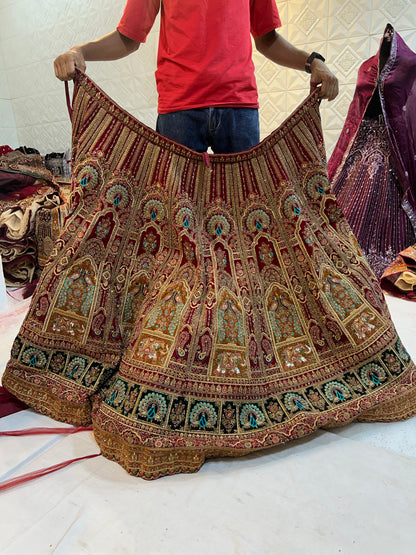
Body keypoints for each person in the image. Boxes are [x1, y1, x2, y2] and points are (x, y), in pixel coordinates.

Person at [53, 0, 338, 153]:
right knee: (177, 224)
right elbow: (128, 37)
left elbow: (267, 39)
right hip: (179, 111)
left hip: (239, 108)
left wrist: (313, 62)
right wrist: (80, 52)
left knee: (248, 218)